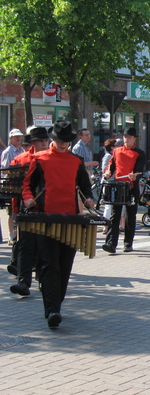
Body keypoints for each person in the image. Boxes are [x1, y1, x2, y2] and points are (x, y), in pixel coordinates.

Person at [21, 121, 95, 328]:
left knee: (64, 266)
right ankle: (53, 309)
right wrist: (28, 199)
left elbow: (86, 188)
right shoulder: (39, 158)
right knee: (49, 263)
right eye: (60, 141)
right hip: (46, 218)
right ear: (52, 140)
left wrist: (89, 199)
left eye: (67, 142)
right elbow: (28, 185)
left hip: (70, 219)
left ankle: (56, 303)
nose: (63, 145)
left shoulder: (76, 160)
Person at [8, 127, 50, 296]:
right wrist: (16, 211)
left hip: (47, 209)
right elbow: (15, 187)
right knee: (26, 246)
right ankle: (23, 282)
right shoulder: (21, 159)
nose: (44, 144)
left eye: (46, 141)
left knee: (44, 247)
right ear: (32, 143)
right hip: (27, 209)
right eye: (41, 141)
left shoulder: (51, 159)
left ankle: (42, 279)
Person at [102, 127, 145, 253]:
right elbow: (111, 165)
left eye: (129, 137)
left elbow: (140, 171)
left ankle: (128, 243)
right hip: (118, 186)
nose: (127, 140)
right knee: (115, 216)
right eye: (125, 137)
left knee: (130, 216)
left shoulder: (139, 153)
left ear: (134, 139)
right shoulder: (117, 151)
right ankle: (111, 243)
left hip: (131, 187)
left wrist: (135, 176)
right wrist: (108, 172)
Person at [2, 128, 25, 246]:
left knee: (20, 210)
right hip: (11, 185)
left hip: (21, 184)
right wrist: (15, 171)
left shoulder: (22, 150)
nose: (19, 139)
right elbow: (4, 170)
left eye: (20, 136)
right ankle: (12, 235)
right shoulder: (7, 152)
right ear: (11, 139)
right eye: (16, 137)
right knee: (11, 211)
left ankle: (19, 233)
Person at [100, 138, 117, 234]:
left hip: (114, 182)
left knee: (111, 205)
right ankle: (105, 226)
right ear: (112, 147)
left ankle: (110, 225)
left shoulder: (114, 156)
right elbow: (105, 170)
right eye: (115, 146)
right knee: (108, 206)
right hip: (108, 183)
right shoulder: (108, 156)